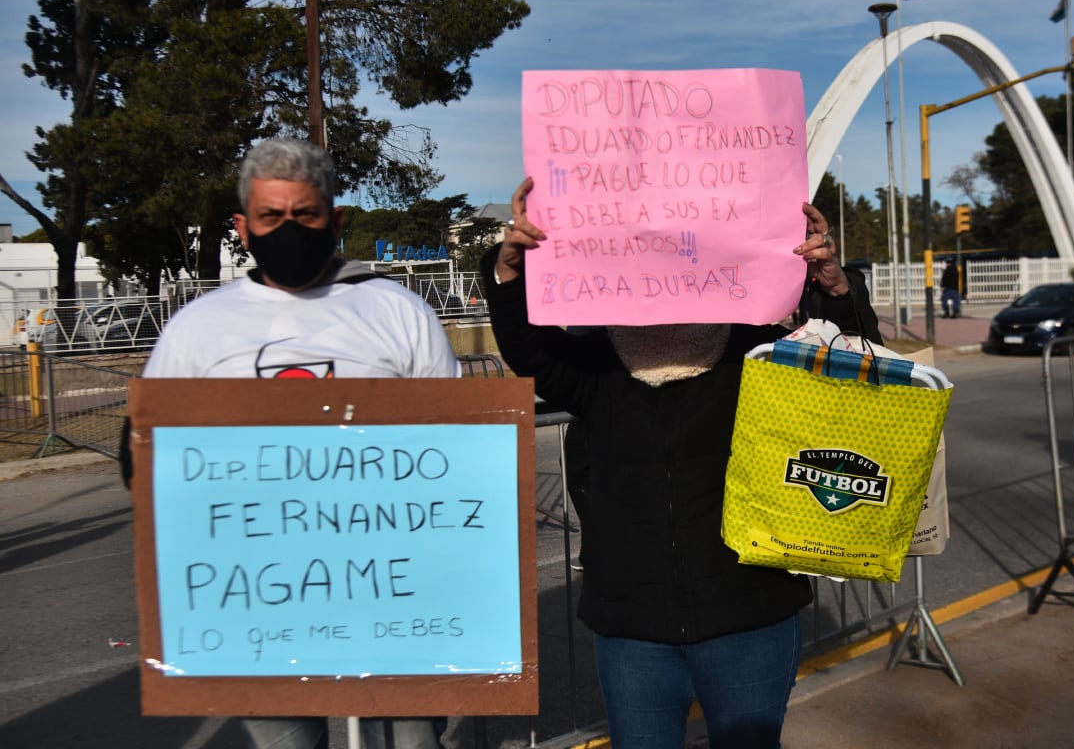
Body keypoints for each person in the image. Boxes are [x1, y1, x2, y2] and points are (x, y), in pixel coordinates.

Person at [483, 177, 877, 749]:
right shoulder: (595, 367)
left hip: (752, 614)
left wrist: (832, 285)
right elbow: (527, 349)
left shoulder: (759, 350)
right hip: (633, 628)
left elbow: (850, 370)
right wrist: (513, 271)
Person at [138, 137, 454, 749]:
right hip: (261, 602)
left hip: (393, 593)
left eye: (304, 215)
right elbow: (154, 462)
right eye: (270, 217)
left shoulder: (398, 311)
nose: (288, 229)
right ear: (243, 226)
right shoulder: (196, 329)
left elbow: (453, 451)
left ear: (334, 220)